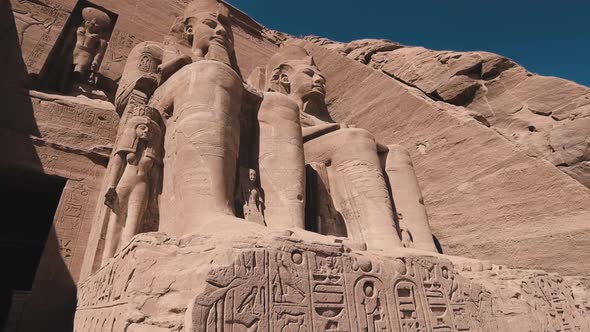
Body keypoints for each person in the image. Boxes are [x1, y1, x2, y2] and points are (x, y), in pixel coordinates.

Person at [102, 106, 162, 263]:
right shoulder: (127, 149)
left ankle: (122, 260)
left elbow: (154, 177)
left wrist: (154, 199)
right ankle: (107, 259)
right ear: (134, 129)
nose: (146, 132)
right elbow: (117, 166)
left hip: (142, 186)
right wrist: (111, 186)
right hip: (124, 183)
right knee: (116, 220)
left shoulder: (151, 152)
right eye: (142, 128)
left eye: (149, 130)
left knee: (133, 222)